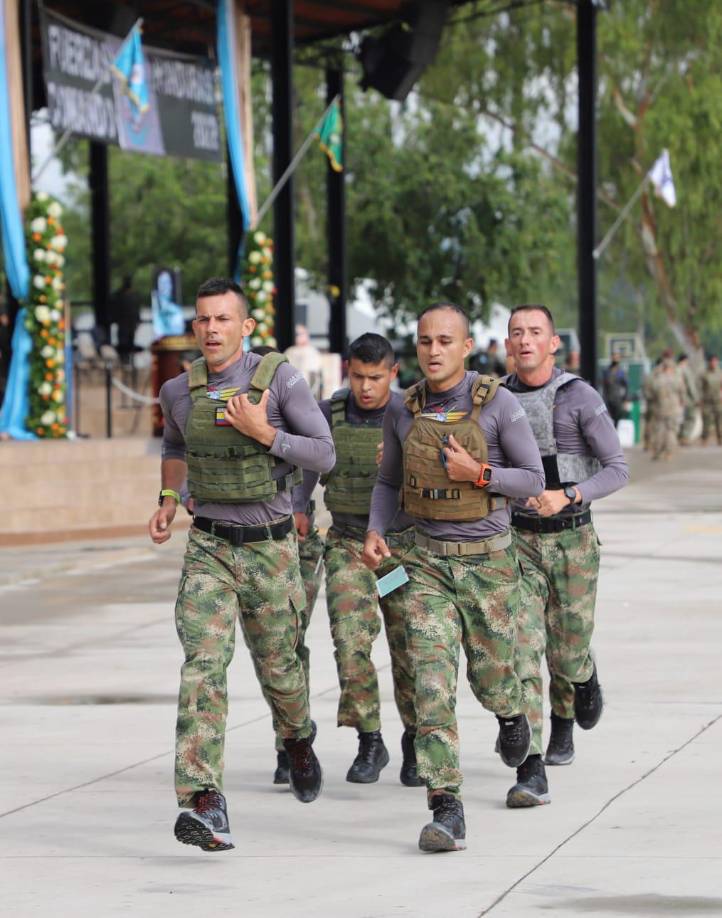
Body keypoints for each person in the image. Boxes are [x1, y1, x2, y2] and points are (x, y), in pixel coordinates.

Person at [148, 277, 335, 852]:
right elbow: (174, 447)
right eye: (203, 319)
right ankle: (204, 800)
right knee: (203, 665)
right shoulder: (178, 391)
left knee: (281, 670)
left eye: (223, 319)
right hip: (208, 546)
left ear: (245, 326)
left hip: (270, 547)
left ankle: (297, 737)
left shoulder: (279, 380)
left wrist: (265, 433)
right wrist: (168, 499)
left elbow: (324, 451)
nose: (211, 329)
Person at [363, 302, 545, 853]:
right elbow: (388, 482)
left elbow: (533, 478)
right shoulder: (403, 409)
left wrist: (478, 473)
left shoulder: (499, 405)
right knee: (431, 682)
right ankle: (446, 807)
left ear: (466, 347)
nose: (433, 350)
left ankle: (512, 716)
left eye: (445, 341)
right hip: (426, 564)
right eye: (425, 341)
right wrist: (375, 530)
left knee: (491, 679)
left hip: (489, 564)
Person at [503, 305, 628, 808]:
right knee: (522, 648)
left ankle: (580, 684)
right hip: (518, 541)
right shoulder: (496, 399)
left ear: (554, 343)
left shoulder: (580, 397)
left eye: (535, 332)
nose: (525, 340)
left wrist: (569, 495)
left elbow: (617, 468)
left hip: (573, 540)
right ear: (507, 344)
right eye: (517, 333)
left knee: (565, 650)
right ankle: (531, 768)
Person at [290, 333, 422, 791]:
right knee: (350, 641)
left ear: (393, 373)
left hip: (400, 550)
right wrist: (299, 507)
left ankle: (416, 741)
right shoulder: (328, 413)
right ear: (349, 370)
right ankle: (370, 740)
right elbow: (308, 466)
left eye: (376, 378)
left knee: (411, 648)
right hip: (348, 543)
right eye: (359, 377)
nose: (366, 387)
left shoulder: (410, 414)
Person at [647, 355, 685, 460]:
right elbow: (682, 393)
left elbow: (651, 393)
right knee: (671, 431)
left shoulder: (658, 379)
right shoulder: (677, 379)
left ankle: (657, 452)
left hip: (660, 408)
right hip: (674, 409)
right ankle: (669, 452)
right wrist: (681, 403)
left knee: (659, 430)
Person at [109, 275, 142, 361]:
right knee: (124, 344)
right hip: (125, 324)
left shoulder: (130, 295)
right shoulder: (122, 295)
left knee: (129, 344)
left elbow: (136, 309)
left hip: (129, 324)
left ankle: (128, 360)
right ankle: (125, 360)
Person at [284, 324, 323, 397]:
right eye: (297, 334)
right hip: (291, 389)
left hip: (307, 388)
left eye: (302, 334)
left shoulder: (312, 351)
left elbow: (315, 373)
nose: (299, 337)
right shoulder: (290, 351)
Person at [676, 353, 699, 445]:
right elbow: (690, 386)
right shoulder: (685, 370)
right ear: (685, 360)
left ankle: (679, 436)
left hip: (675, 399)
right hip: (687, 398)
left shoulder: (675, 369)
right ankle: (684, 437)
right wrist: (696, 398)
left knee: (680, 418)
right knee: (690, 417)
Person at [700, 354, 722, 446]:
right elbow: (700, 387)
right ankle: (704, 439)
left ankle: (720, 438)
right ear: (709, 362)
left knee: (719, 419)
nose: (713, 363)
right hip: (707, 400)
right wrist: (700, 399)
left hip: (718, 399)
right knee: (706, 420)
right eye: (712, 361)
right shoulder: (704, 373)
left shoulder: (720, 373)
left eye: (715, 361)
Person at [601, 352, 628, 427]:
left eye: (617, 357)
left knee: (617, 421)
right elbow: (604, 387)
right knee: (608, 421)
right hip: (608, 399)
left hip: (618, 400)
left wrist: (625, 400)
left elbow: (626, 386)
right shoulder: (607, 371)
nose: (615, 358)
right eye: (614, 356)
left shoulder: (621, 372)